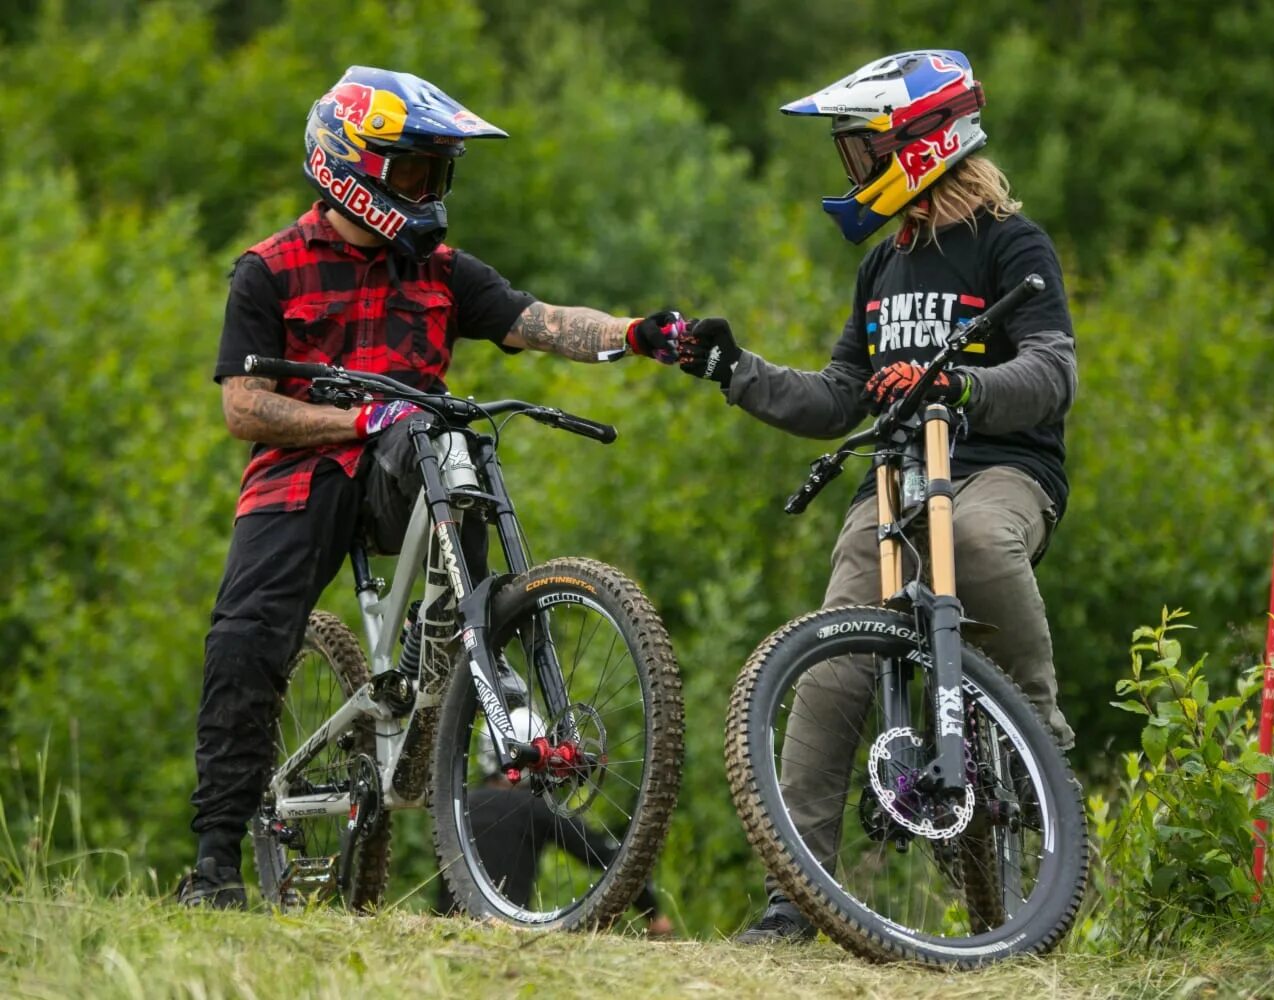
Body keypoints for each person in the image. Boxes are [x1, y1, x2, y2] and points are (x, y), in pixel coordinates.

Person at [177, 66, 683, 909]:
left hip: (407, 470)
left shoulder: (442, 269)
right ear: (351, 163)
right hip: (298, 483)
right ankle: (215, 863)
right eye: (412, 171)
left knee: (451, 435)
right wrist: (355, 421)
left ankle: (454, 642)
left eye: (435, 173)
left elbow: (542, 322)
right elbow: (244, 408)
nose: (427, 190)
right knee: (247, 643)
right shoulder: (267, 270)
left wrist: (641, 334)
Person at [673, 50, 1078, 942]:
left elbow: (1053, 371)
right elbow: (836, 397)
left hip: (997, 466)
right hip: (897, 474)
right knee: (829, 665)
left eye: (862, 150)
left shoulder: (1012, 242)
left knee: (972, 539)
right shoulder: (881, 268)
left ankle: (1041, 731)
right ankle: (796, 897)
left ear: (923, 144)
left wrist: (963, 388)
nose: (852, 168)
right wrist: (732, 371)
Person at [433, 713, 674, 936]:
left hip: (451, 929)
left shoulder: (457, 808)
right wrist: (653, 914)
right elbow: (606, 856)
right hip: (507, 931)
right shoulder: (534, 808)